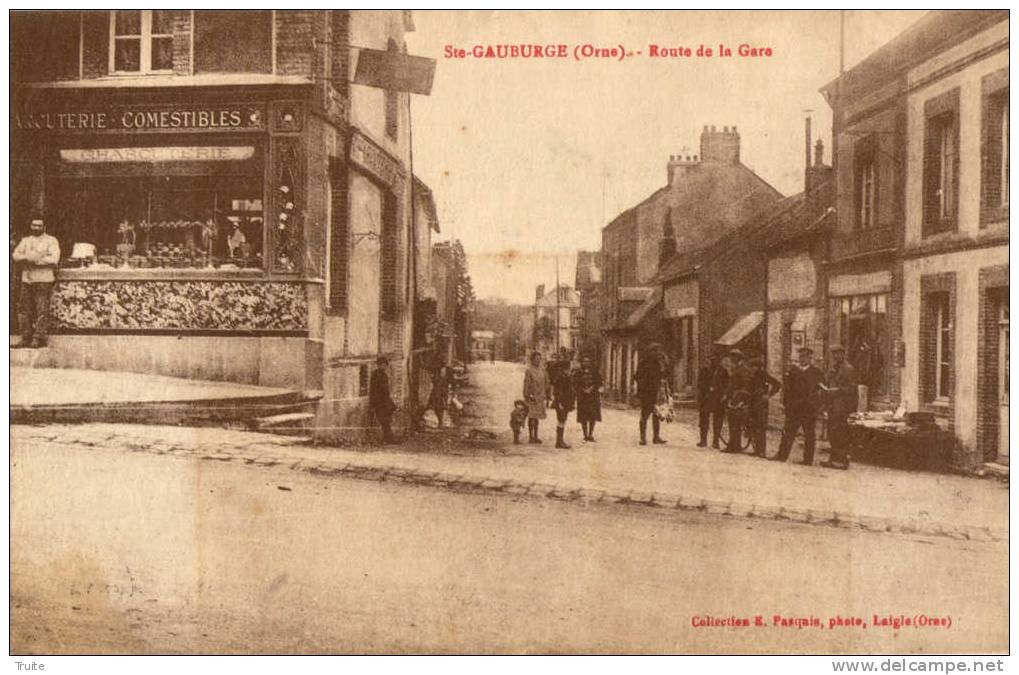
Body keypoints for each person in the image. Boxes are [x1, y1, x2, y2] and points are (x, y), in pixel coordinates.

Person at [12, 218, 61, 348]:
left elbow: (54, 258)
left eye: (39, 226)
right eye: (34, 225)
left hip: (43, 279)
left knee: (41, 309)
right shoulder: (26, 241)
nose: (36, 228)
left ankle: (38, 338)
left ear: (44, 227)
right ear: (30, 226)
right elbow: (16, 255)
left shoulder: (51, 241)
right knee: (24, 309)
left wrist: (36, 260)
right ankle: (26, 337)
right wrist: (27, 257)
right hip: (27, 279)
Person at [771, 347, 825, 465]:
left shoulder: (816, 373)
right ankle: (781, 455)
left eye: (805, 357)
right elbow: (787, 389)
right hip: (794, 408)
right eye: (801, 357)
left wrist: (817, 406)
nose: (803, 359)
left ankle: (808, 460)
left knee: (809, 434)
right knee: (788, 432)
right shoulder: (793, 371)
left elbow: (821, 390)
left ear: (810, 358)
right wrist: (785, 404)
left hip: (808, 409)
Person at [822, 344, 858, 470]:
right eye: (833, 354)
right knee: (832, 433)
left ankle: (843, 461)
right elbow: (826, 381)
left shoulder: (848, 369)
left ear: (843, 354)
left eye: (838, 354)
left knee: (841, 433)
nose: (835, 356)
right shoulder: (833, 369)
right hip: (832, 405)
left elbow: (852, 388)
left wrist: (838, 390)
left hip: (842, 405)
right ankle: (833, 459)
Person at [743, 355, 781, 458]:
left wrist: (768, 395)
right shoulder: (752, 376)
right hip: (753, 403)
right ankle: (757, 449)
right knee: (754, 425)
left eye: (753, 366)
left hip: (761, 404)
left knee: (760, 426)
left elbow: (777, 384)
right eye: (751, 366)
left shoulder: (763, 375)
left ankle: (761, 451)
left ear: (758, 367)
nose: (752, 368)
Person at [634, 342, 669, 445]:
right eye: (656, 351)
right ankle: (642, 438)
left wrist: (664, 363)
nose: (658, 353)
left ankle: (656, 437)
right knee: (644, 415)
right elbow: (637, 377)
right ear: (651, 351)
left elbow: (665, 375)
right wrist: (640, 392)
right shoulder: (643, 363)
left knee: (656, 414)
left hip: (657, 392)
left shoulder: (659, 363)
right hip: (646, 392)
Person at [696, 350, 727, 448]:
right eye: (712, 359)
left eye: (716, 359)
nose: (713, 361)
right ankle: (703, 440)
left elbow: (726, 385)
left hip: (718, 399)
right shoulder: (704, 370)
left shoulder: (723, 371)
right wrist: (707, 389)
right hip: (706, 398)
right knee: (704, 419)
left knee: (718, 420)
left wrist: (720, 392)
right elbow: (699, 383)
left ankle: (716, 441)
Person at [573, 355, 603, 442]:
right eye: (584, 361)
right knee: (583, 416)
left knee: (593, 415)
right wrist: (582, 389)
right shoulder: (578, 372)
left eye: (588, 361)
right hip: (582, 397)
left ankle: (591, 434)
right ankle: (585, 434)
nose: (586, 363)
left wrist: (592, 388)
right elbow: (575, 383)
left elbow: (599, 382)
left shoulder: (595, 372)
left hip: (593, 396)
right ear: (582, 363)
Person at [522, 351, 550, 444]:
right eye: (536, 359)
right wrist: (528, 394)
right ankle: (531, 436)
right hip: (532, 396)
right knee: (531, 416)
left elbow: (547, 382)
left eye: (539, 359)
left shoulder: (542, 370)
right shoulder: (529, 370)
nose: (538, 361)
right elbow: (526, 383)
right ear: (532, 360)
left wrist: (547, 393)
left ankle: (536, 436)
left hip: (540, 396)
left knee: (537, 417)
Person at [369, 356, 397, 443]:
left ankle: (387, 438)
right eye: (382, 365)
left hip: (385, 401)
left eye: (385, 365)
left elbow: (386, 390)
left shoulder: (384, 375)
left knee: (386, 420)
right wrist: (372, 404)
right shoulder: (376, 375)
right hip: (379, 402)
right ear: (379, 365)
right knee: (383, 420)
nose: (384, 367)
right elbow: (374, 390)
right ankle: (388, 438)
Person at [550, 356, 576, 449]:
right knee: (561, 420)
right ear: (566, 369)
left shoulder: (565, 376)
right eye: (569, 368)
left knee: (562, 420)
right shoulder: (561, 377)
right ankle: (559, 441)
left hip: (565, 402)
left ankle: (560, 441)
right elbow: (558, 391)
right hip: (562, 402)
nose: (570, 370)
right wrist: (560, 403)